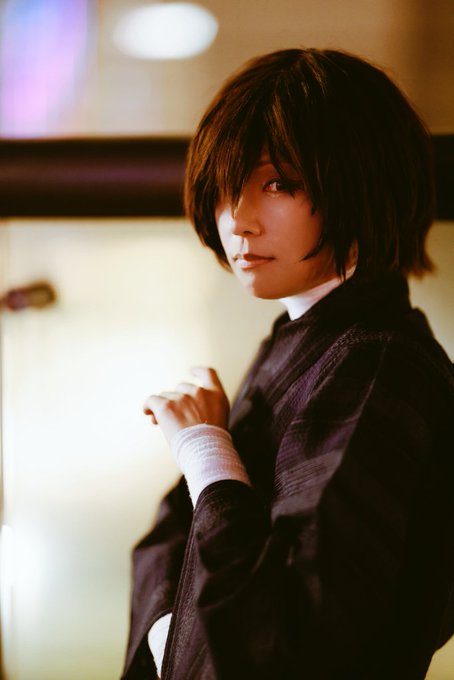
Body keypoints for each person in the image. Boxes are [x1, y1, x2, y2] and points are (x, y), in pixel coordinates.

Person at [121, 48, 454, 680]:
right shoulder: (307, 340)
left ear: (361, 180)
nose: (238, 220)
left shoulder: (378, 364)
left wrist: (204, 448)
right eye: (227, 185)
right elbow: (173, 544)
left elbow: (288, 637)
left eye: (278, 183)